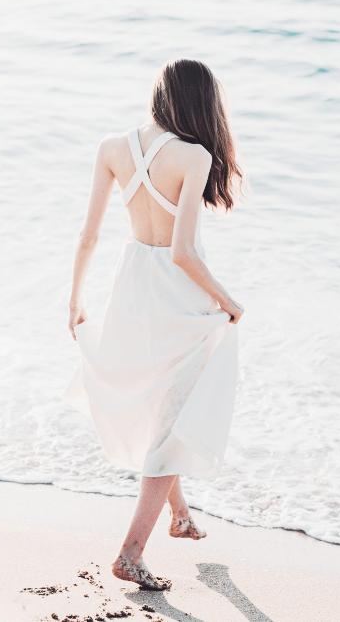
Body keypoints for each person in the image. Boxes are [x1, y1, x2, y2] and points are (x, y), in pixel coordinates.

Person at [64, 58, 244, 591]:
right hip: (176, 298)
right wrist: (229, 302)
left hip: (131, 288)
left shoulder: (112, 147)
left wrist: (74, 299)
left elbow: (88, 235)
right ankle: (131, 553)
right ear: (201, 103)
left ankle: (180, 514)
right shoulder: (194, 155)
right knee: (174, 417)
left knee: (161, 406)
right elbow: (184, 253)